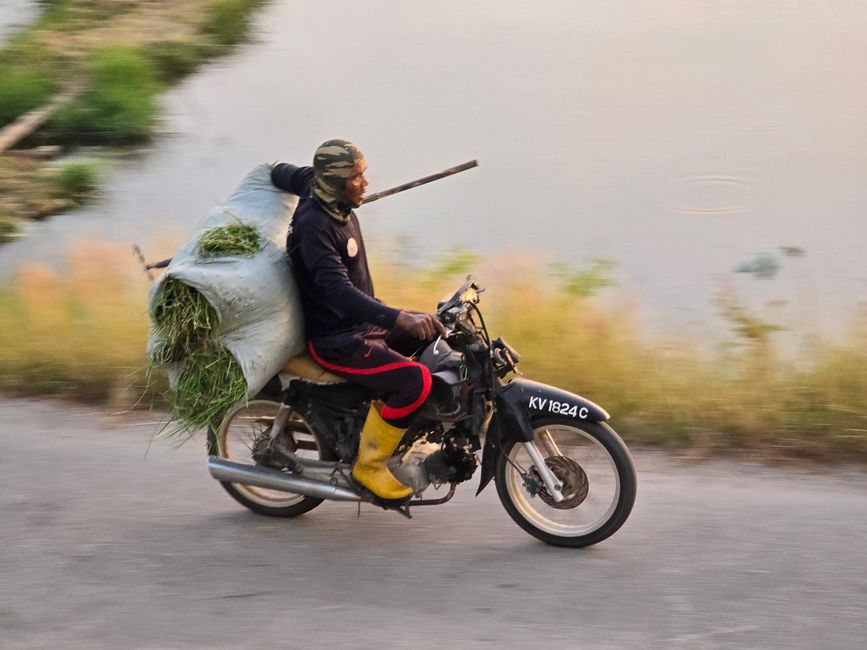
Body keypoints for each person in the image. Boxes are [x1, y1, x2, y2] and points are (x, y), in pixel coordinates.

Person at [271, 140, 445, 502]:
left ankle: (403, 432)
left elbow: (280, 172)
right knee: (415, 381)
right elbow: (339, 294)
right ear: (334, 182)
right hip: (338, 339)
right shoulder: (314, 227)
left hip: (362, 325)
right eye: (357, 176)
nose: (366, 181)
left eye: (364, 172)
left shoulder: (315, 185)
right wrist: (398, 317)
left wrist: (266, 172)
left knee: (434, 334)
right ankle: (369, 466)